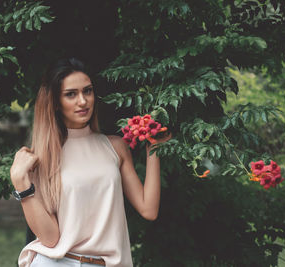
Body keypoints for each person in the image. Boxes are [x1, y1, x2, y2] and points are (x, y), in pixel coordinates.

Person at [10, 58, 172, 267]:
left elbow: (149, 210)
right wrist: (20, 182)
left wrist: (154, 149)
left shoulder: (114, 147)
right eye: (71, 94)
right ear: (56, 103)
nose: (83, 101)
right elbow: (50, 239)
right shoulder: (42, 158)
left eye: (87, 91)